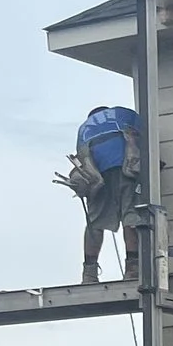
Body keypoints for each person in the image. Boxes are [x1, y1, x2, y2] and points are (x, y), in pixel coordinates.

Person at [58, 104, 144, 285]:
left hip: (97, 172)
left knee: (95, 222)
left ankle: (89, 273)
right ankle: (133, 268)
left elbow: (81, 158)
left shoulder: (85, 127)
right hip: (126, 166)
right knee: (131, 215)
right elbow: (145, 137)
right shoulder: (124, 114)